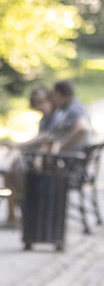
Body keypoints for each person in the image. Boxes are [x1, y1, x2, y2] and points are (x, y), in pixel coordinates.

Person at [1, 86, 56, 224]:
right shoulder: (44, 120)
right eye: (37, 102)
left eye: (43, 102)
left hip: (46, 165)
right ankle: (12, 216)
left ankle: (5, 167)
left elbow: (44, 140)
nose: (40, 106)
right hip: (35, 160)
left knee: (15, 155)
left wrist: (18, 145)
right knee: (10, 172)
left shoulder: (57, 117)